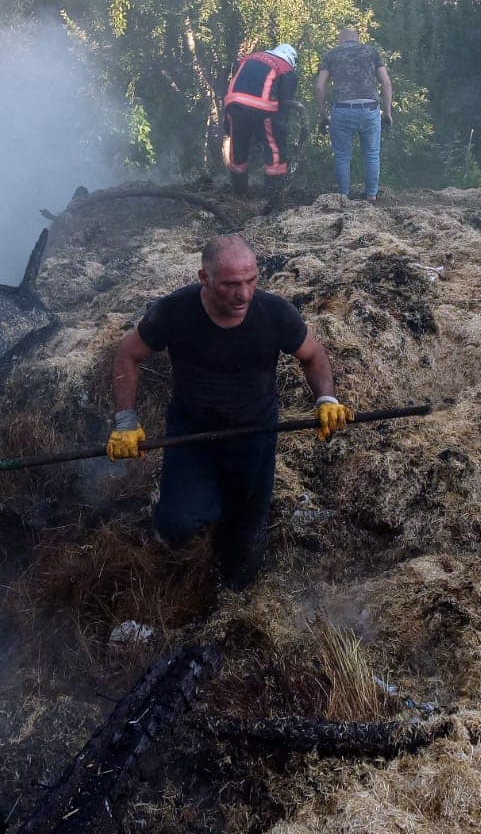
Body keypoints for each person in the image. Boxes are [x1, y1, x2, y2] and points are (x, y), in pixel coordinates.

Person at [106, 234, 351, 589]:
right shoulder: (174, 311)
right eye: (231, 285)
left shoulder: (275, 313)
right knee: (177, 526)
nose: (244, 295)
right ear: (204, 279)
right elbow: (127, 355)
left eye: (251, 281)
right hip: (192, 434)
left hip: (255, 434)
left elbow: (313, 355)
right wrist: (126, 421)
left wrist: (326, 400)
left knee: (244, 538)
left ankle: (234, 586)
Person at [315, 26, 393, 202]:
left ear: (340, 40)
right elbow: (386, 83)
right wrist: (387, 112)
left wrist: (322, 114)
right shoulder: (371, 52)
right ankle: (371, 196)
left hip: (342, 109)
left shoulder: (331, 54)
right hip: (370, 108)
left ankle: (343, 196)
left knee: (342, 155)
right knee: (372, 154)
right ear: (357, 39)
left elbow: (320, 86)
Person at [224, 44, 298, 198]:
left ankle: (238, 192)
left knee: (237, 148)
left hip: (234, 105)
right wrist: (282, 126)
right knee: (274, 147)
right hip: (263, 108)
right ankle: (273, 191)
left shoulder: (249, 59)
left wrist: (227, 121)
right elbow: (285, 102)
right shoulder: (285, 67)